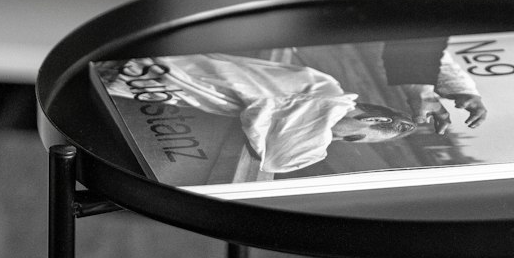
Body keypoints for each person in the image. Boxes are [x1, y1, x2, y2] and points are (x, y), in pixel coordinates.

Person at [109, 52, 418, 176]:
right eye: (354, 138)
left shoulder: (324, 91)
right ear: (372, 119)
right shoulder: (328, 100)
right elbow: (279, 158)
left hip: (157, 78)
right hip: (150, 73)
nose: (342, 140)